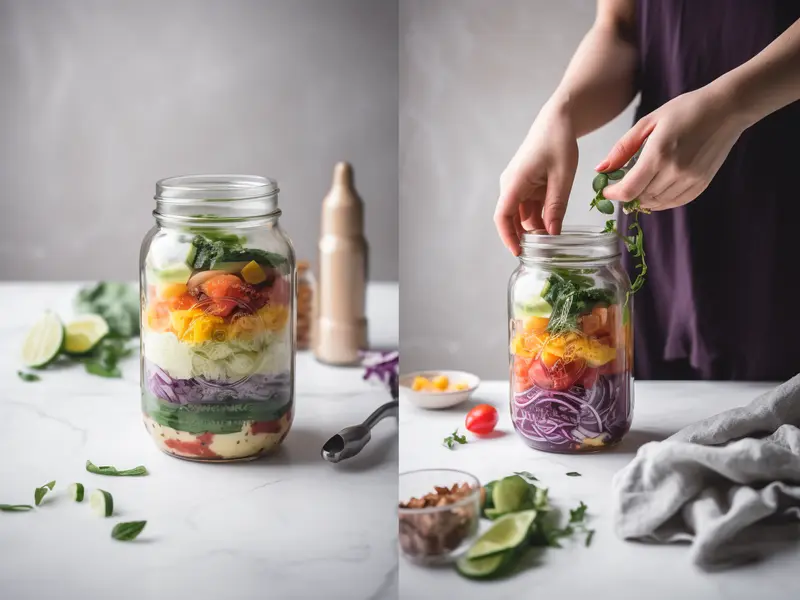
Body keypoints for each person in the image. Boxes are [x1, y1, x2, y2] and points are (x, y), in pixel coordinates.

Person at [495, 0, 800, 381]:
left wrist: (731, 104)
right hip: (665, 201)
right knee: (665, 422)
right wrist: (561, 111)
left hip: (786, 198)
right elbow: (620, 29)